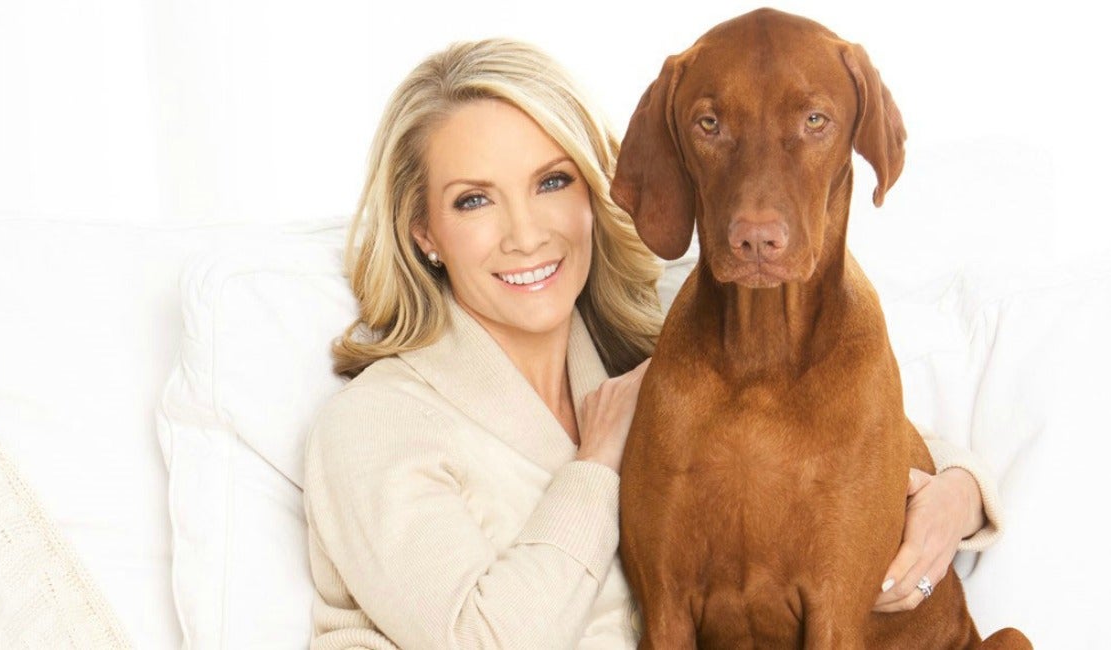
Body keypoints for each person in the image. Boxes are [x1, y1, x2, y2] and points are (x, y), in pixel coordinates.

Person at [302, 38, 1002, 649]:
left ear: (595, 194)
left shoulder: (643, 360)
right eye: (474, 200)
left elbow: (842, 438)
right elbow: (481, 639)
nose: (525, 234)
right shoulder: (376, 423)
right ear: (423, 231)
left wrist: (957, 494)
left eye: (551, 182)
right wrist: (598, 462)